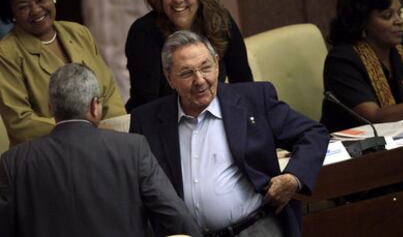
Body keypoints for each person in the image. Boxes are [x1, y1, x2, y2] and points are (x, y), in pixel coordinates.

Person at [130, 30, 329, 236]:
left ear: (217, 64)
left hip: (256, 228)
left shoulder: (253, 99)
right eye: (187, 73)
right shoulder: (147, 121)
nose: (200, 80)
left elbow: (314, 133)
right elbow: (137, 188)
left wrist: (293, 178)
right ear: (169, 78)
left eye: (206, 67)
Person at [0, 63, 202, 237]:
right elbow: (175, 216)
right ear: (94, 106)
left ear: (51, 107)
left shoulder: (14, 162)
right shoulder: (132, 149)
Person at [0, 0, 126, 146]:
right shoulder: (6, 52)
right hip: (47, 154)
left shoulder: (79, 32)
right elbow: (20, 123)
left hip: (101, 145)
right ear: (12, 14)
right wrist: (86, 131)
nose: (35, 10)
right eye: (23, 6)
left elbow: (108, 94)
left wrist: (116, 133)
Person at [125, 0, 253, 112]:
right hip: (166, 122)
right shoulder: (143, 32)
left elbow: (244, 85)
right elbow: (147, 104)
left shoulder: (221, 21)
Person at [321, 0, 403, 132]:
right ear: (362, 22)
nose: (399, 21)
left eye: (399, 13)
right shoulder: (342, 62)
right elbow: (373, 118)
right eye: (387, 15)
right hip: (360, 150)